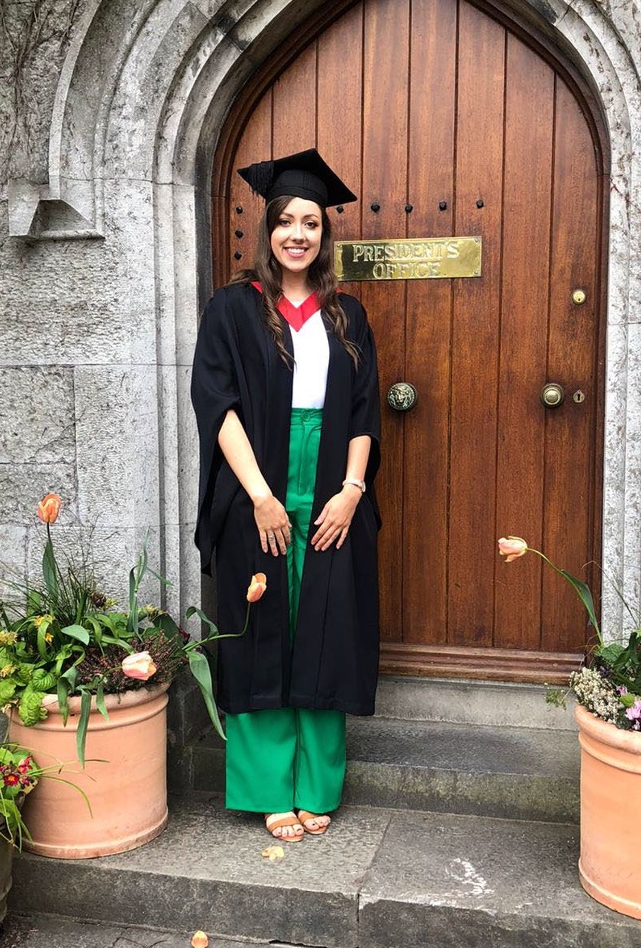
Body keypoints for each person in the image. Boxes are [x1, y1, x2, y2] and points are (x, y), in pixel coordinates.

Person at [191, 148, 381, 842]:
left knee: (326, 630)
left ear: (324, 236)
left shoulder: (347, 315)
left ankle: (317, 785)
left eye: (311, 223)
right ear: (266, 231)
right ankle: (270, 788)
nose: (299, 234)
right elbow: (217, 407)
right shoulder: (234, 310)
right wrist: (262, 498)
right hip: (257, 491)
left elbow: (362, 412)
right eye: (286, 222)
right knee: (264, 631)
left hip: (332, 489)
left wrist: (352, 492)